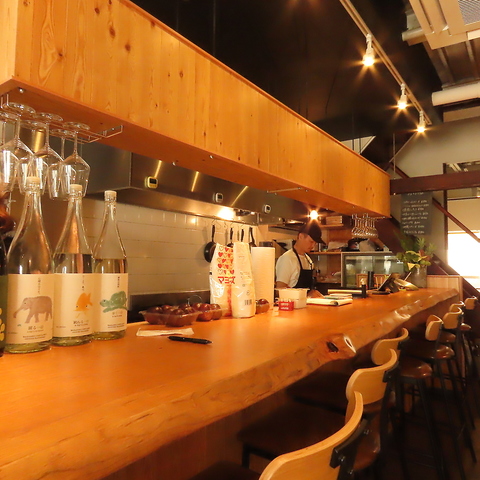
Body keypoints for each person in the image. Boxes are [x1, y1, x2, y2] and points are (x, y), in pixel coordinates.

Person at [275, 221, 323, 297]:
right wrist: (306, 295)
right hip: (292, 304)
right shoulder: (287, 259)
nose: (313, 245)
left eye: (315, 243)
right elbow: (280, 290)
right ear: (300, 236)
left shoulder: (308, 260)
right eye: (311, 242)